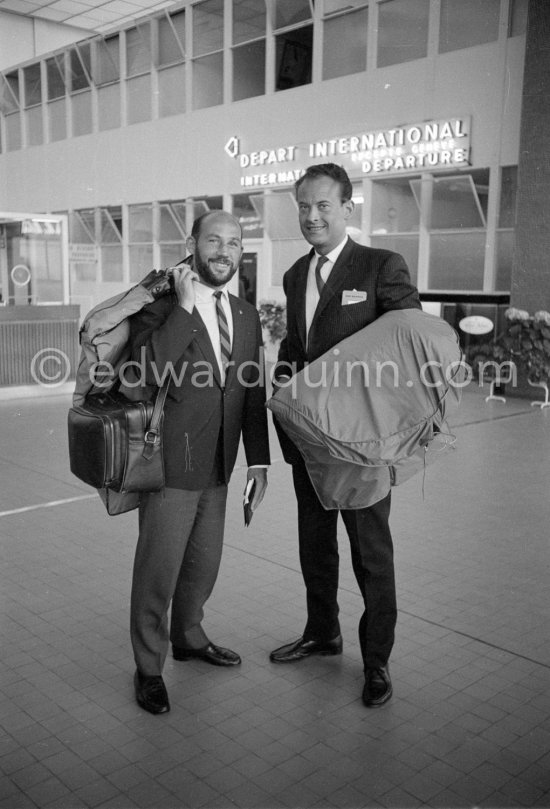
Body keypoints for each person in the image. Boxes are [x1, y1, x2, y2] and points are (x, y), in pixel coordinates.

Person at [270, 163, 421, 707]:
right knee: (315, 544)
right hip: (308, 439)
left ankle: (376, 660)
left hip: (360, 442)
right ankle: (322, 631)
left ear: (347, 209)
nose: (311, 216)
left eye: (323, 206)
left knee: (370, 553)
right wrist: (282, 389)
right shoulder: (293, 275)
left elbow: (410, 342)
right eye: (304, 207)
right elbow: (296, 346)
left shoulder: (379, 266)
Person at [129, 210, 270, 714]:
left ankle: (188, 636)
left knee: (204, 563)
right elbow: (140, 376)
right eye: (214, 240)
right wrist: (186, 309)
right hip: (169, 463)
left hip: (220, 463)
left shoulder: (247, 315)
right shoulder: (161, 304)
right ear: (192, 243)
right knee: (158, 569)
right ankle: (149, 667)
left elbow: (251, 391)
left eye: (234, 243)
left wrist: (259, 462)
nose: (224, 251)